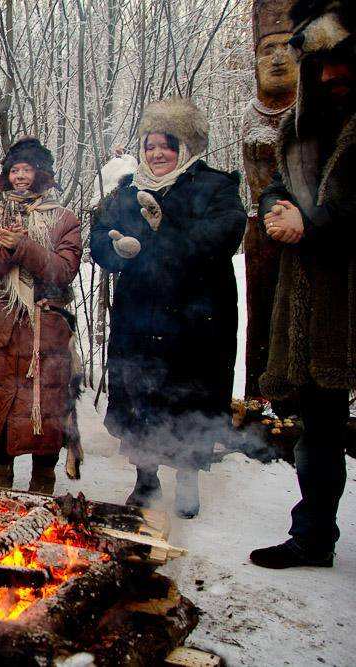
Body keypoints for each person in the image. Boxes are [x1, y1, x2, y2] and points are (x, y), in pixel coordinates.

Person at [90, 97, 246, 519]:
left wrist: (166, 228)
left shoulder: (216, 186)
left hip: (196, 317)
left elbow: (224, 236)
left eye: (168, 145)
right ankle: (145, 478)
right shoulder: (127, 192)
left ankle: (188, 478)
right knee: (141, 392)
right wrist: (116, 247)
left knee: (188, 394)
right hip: (140, 315)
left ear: (187, 148)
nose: (157, 153)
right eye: (151, 145)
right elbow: (100, 237)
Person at [250, 0, 355, 569]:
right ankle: (314, 535)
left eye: (344, 60)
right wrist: (274, 207)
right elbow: (274, 184)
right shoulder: (300, 127)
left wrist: (310, 226)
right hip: (318, 297)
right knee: (321, 424)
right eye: (320, 64)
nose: (333, 74)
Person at [0, 138, 82, 493]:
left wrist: (25, 247)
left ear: (41, 173)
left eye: (26, 170)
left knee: (45, 404)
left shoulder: (64, 219)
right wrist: (4, 249)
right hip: (0, 327)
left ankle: (43, 481)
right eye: (14, 170)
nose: (20, 177)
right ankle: (1, 480)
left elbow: (64, 270)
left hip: (46, 326)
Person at [242, 0, 300, 405]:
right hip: (260, 232)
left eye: (287, 47)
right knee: (262, 319)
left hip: (308, 231)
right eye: (267, 49)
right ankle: (259, 399)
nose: (278, 58)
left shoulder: (315, 115)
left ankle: (299, 406)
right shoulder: (251, 112)